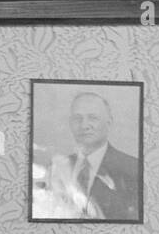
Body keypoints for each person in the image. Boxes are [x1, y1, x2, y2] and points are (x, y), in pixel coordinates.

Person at [47, 91, 140, 220]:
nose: (84, 126)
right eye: (77, 118)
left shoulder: (133, 168)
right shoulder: (57, 167)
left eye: (93, 118)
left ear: (109, 122)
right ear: (70, 123)